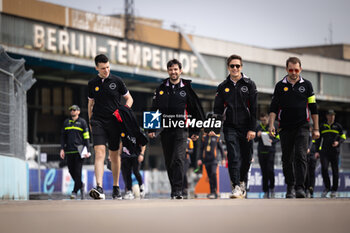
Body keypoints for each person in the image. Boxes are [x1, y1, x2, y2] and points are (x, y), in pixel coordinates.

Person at [148, 59, 205, 199]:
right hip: (165, 130)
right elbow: (154, 109)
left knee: (179, 159)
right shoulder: (161, 88)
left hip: (181, 129)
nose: (173, 72)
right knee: (169, 161)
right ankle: (175, 188)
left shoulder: (187, 89)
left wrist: (195, 131)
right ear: (168, 71)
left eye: (175, 69)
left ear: (180, 71)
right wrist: (151, 128)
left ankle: (178, 190)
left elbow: (195, 110)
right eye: (171, 69)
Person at [269, 56, 320, 198]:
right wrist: (271, 124)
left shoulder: (307, 85)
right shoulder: (280, 86)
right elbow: (273, 107)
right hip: (284, 127)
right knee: (287, 158)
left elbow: (313, 108)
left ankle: (300, 187)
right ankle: (290, 186)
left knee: (301, 155)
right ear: (286, 69)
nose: (293, 72)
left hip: (303, 127)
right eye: (290, 69)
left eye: (296, 69)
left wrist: (316, 128)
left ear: (300, 69)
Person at [88, 54, 133, 200]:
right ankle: (99, 187)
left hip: (115, 123)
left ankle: (115, 187)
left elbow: (129, 98)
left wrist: (124, 111)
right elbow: (90, 104)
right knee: (100, 153)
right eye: (103, 68)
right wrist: (90, 121)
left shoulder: (117, 81)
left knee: (114, 155)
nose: (106, 70)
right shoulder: (92, 83)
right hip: (98, 121)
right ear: (96, 68)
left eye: (108, 67)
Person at [213, 54, 257, 199]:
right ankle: (236, 186)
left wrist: (252, 129)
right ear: (228, 68)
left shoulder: (249, 84)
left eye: (237, 66)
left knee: (247, 156)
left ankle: (242, 181)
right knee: (233, 155)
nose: (235, 68)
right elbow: (217, 111)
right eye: (232, 66)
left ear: (241, 67)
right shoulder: (222, 87)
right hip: (230, 126)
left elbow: (254, 108)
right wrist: (215, 129)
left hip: (246, 127)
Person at [60, 105, 90, 199]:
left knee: (78, 171)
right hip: (69, 151)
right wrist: (62, 149)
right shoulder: (66, 122)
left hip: (79, 151)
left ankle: (74, 191)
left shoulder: (82, 122)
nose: (72, 111)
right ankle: (81, 185)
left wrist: (87, 150)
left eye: (74, 110)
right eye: (71, 110)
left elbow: (86, 138)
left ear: (78, 112)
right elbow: (63, 137)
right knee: (71, 170)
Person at [315, 110, 346, 198]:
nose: (332, 117)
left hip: (335, 152)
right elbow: (318, 140)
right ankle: (327, 187)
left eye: (333, 115)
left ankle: (334, 190)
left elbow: (343, 137)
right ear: (327, 116)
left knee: (335, 171)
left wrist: (338, 142)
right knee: (324, 169)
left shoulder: (338, 126)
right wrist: (317, 151)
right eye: (330, 115)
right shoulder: (322, 126)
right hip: (324, 152)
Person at [255, 113, 279, 198]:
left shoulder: (273, 126)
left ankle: (272, 188)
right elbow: (255, 140)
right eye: (261, 120)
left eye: (264, 120)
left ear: (268, 118)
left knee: (270, 170)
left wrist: (273, 141)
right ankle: (265, 191)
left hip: (270, 152)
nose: (263, 122)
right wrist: (257, 136)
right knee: (264, 172)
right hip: (261, 152)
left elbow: (278, 137)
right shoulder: (258, 127)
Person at [197, 132, 225, 199]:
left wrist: (223, 158)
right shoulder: (204, 138)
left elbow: (221, 149)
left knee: (213, 173)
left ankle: (214, 192)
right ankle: (212, 192)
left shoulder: (217, 137)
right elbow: (201, 149)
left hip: (214, 160)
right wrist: (199, 159)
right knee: (209, 176)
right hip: (206, 160)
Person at [305, 126, 318, 198]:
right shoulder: (305, 136)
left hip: (313, 156)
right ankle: (306, 188)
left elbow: (318, 144)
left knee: (312, 173)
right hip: (306, 156)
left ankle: (311, 189)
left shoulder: (315, 136)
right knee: (306, 173)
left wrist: (318, 152)